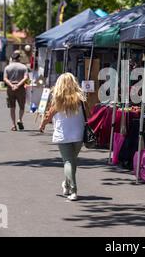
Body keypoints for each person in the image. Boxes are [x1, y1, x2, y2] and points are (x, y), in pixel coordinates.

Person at [39, 73, 86, 201]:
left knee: (68, 162)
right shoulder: (80, 98)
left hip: (63, 134)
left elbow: (49, 115)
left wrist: (42, 125)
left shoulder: (58, 99)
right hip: (78, 134)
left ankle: (73, 189)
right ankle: (66, 184)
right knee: (71, 161)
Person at [3, 51, 29, 131]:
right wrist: (18, 85)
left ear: (12, 58)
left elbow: (5, 78)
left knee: (12, 107)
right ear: (19, 58)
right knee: (22, 106)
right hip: (20, 88)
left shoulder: (7, 67)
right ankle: (20, 119)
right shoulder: (23, 67)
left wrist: (12, 85)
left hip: (10, 89)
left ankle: (13, 125)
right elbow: (26, 78)